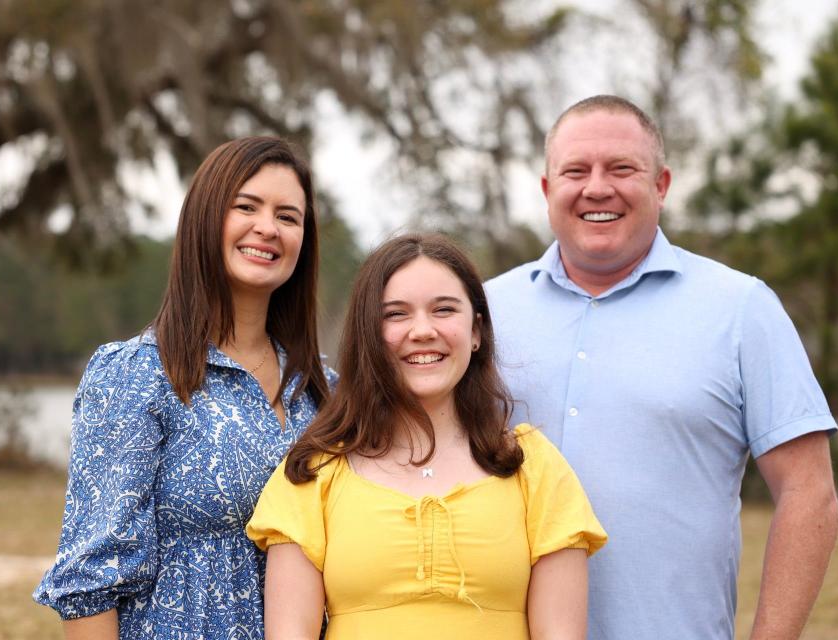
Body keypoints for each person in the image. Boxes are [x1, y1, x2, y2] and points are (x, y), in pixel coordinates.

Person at [485, 95, 838, 639]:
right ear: (547, 189)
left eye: (621, 168)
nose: (596, 188)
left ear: (662, 185)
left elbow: (808, 491)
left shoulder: (741, 308)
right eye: (575, 170)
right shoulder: (480, 313)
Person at [34, 136, 334, 640]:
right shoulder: (136, 375)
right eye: (246, 207)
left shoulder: (323, 390)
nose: (268, 227)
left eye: (288, 216)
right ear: (204, 219)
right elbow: (90, 582)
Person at [246, 233, 607, 640]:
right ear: (369, 336)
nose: (422, 330)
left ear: (476, 331)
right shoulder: (313, 473)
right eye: (396, 314)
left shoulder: (534, 467)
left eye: (444, 310)